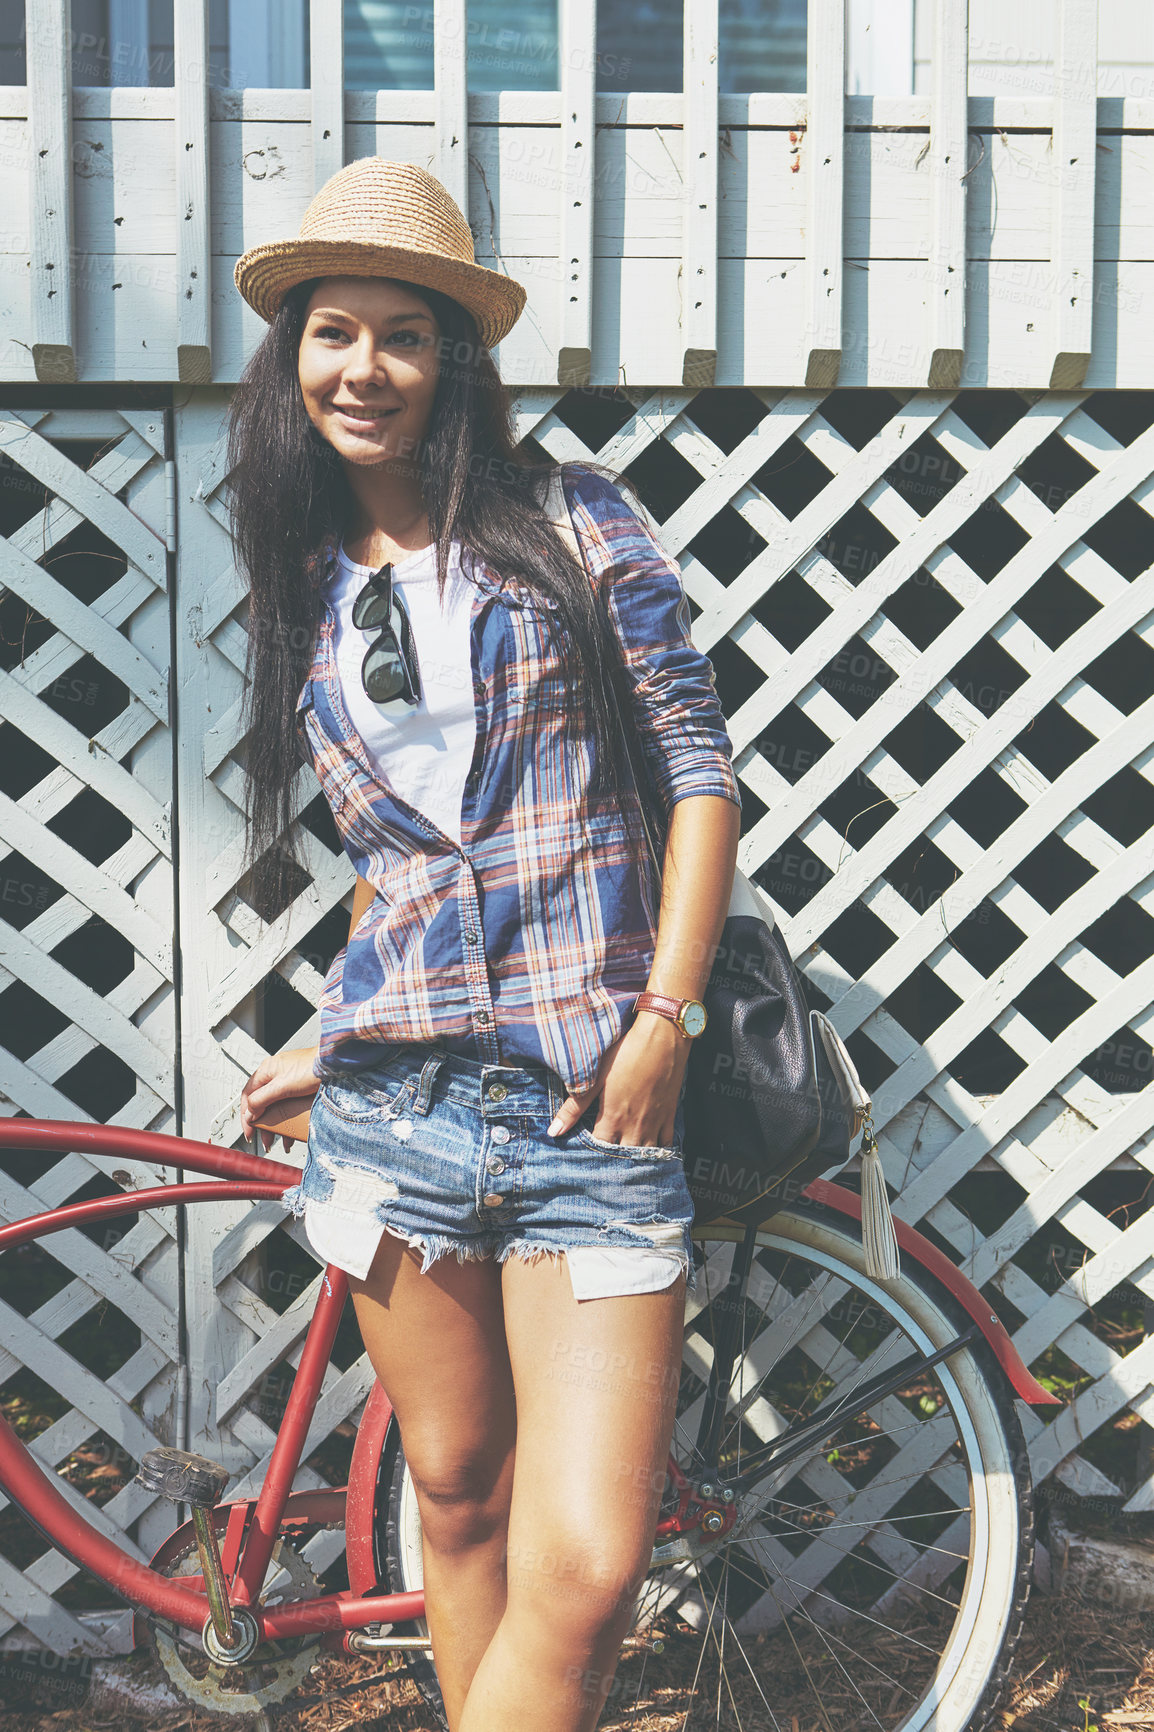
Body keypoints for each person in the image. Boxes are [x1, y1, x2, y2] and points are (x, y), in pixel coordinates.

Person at [232, 157, 741, 1732]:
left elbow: (701, 778)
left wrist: (664, 1017)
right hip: (396, 1116)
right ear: (293, 360)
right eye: (332, 334)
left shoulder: (571, 522)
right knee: (451, 1496)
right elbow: (408, 863)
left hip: (593, 1102)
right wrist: (341, 1029)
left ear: (455, 357)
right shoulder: (309, 581)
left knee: (584, 1570)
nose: (362, 368)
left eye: (401, 333)